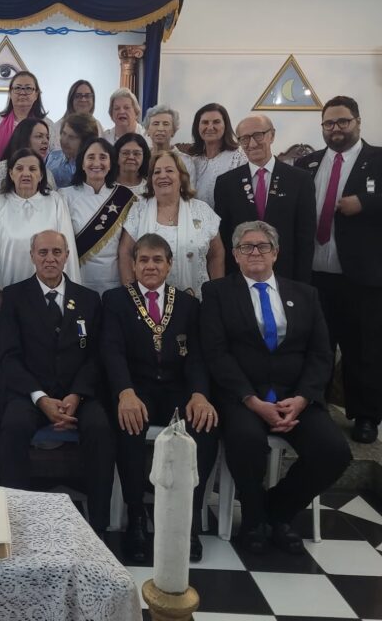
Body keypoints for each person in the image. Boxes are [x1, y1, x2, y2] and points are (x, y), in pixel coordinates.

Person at [201, 221, 351, 555]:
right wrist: (251, 400)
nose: (255, 252)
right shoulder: (216, 293)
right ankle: (253, 519)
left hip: (295, 398)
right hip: (243, 397)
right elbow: (216, 353)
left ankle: (279, 510)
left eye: (263, 246)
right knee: (246, 440)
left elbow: (320, 354)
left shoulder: (306, 294)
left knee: (334, 452)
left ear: (276, 253)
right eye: (246, 247)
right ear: (235, 255)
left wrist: (302, 398)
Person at [102, 234, 218, 563]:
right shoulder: (115, 300)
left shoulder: (188, 304)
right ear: (133, 264)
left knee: (205, 425)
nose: (150, 266)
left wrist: (199, 394)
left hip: (176, 389)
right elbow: (111, 351)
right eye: (143, 260)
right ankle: (136, 516)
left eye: (157, 260)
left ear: (169, 265)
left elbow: (197, 356)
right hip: (135, 389)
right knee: (129, 424)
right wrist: (124, 392)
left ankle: (189, 518)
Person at [0, 230, 114, 535]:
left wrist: (76, 395)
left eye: (57, 252)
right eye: (43, 252)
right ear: (32, 256)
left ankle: (99, 526)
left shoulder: (89, 299)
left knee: (100, 427)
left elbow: (96, 357)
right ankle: (13, 521)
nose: (50, 259)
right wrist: (40, 398)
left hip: (78, 394)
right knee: (13, 425)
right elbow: (8, 357)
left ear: (66, 256)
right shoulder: (14, 296)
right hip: (31, 394)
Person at [295, 96, 382, 443]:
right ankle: (313, 407)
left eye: (343, 121)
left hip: (361, 277)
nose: (336, 128)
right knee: (317, 346)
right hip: (313, 275)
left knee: (363, 348)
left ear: (357, 122)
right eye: (329, 123)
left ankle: (366, 416)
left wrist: (366, 202)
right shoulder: (307, 164)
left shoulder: (378, 159)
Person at [214, 112, 316, 282]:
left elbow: (305, 238)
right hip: (241, 276)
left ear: (272, 135)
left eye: (258, 135)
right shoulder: (226, 183)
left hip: (286, 275)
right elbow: (223, 238)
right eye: (245, 138)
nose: (252, 144)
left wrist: (302, 284)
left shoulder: (300, 180)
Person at [120, 150, 224, 299]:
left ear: (181, 177)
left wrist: (217, 295)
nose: (162, 176)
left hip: (197, 300)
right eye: (157, 172)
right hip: (148, 302)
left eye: (169, 170)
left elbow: (216, 254)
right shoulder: (138, 210)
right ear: (151, 179)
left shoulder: (202, 210)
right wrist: (132, 296)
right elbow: (125, 253)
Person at [0, 149, 79, 310]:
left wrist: (71, 289)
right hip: (10, 288)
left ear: (41, 175)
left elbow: (67, 245)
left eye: (33, 169)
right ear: (11, 174)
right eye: (19, 168)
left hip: (51, 289)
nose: (26, 174)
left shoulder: (55, 201)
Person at [59, 137, 135, 296]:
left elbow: (127, 249)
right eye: (91, 157)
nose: (97, 163)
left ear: (111, 163)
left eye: (103, 157)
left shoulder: (124, 197)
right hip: (77, 280)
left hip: (113, 283)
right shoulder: (65, 196)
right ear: (82, 163)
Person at [0, 117, 57, 205]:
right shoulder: (0, 169)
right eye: (39, 136)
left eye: (47, 137)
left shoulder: (47, 173)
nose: (46, 141)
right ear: (24, 138)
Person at [186, 103, 246, 208]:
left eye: (216, 122)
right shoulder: (192, 161)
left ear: (225, 126)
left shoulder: (239, 159)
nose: (210, 127)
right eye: (205, 122)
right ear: (197, 127)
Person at [0, 71, 49, 161]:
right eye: (17, 88)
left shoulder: (47, 124)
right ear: (10, 93)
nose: (22, 92)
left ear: (36, 94)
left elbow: (54, 158)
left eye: (28, 88)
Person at [144, 104, 196, 189]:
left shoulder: (185, 161)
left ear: (173, 131)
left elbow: (189, 191)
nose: (160, 128)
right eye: (156, 124)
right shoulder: (141, 158)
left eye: (166, 124)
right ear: (147, 130)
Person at [45, 113, 98, 189]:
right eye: (64, 134)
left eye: (72, 137)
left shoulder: (93, 168)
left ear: (85, 141)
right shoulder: (52, 157)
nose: (65, 141)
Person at [49, 80, 104, 150]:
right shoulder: (57, 128)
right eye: (78, 96)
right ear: (71, 100)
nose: (83, 99)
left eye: (87, 96)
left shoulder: (97, 125)